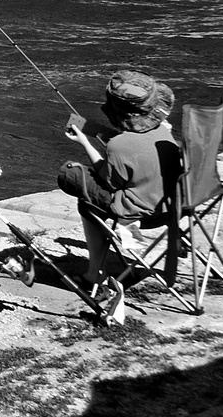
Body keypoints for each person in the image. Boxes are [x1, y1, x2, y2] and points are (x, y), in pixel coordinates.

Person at [57, 69, 178, 290]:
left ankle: (95, 274)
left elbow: (109, 182)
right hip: (170, 208)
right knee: (89, 190)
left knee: (76, 183)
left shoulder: (119, 145)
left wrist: (85, 142)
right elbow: (138, 153)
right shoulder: (165, 132)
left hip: (139, 213)